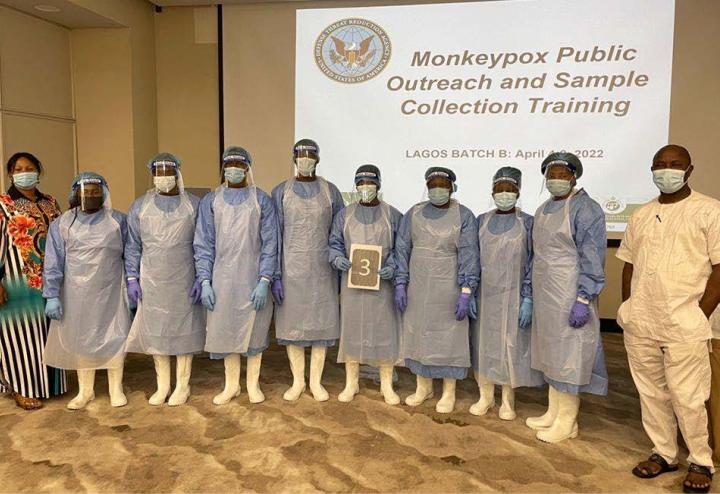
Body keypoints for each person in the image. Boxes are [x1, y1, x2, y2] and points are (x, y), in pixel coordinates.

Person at [618, 145, 719, 493]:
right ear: (651, 169)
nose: (667, 171)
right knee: (651, 393)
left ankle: (700, 461)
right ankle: (663, 453)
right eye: (660, 165)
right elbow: (629, 264)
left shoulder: (709, 211)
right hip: (642, 319)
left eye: (675, 165)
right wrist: (628, 308)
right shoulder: (641, 214)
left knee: (688, 395)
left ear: (690, 170)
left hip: (684, 321)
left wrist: (699, 313)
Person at [526, 152, 608, 443]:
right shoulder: (543, 210)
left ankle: (567, 421)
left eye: (563, 174)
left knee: (571, 355)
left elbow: (593, 256)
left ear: (575, 176)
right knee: (552, 352)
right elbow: (536, 255)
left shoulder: (586, 209)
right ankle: (553, 411)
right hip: (546, 292)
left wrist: (584, 298)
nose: (556, 179)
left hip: (571, 292)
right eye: (552, 174)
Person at [195, 146, 278, 405]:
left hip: (253, 278)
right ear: (223, 168)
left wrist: (265, 279)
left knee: (255, 331)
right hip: (222, 279)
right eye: (229, 165)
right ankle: (231, 385)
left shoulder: (261, 200)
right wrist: (205, 280)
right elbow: (204, 244)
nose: (233, 170)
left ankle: (252, 385)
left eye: (239, 166)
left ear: (248, 168)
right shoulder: (211, 201)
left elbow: (270, 243)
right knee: (227, 330)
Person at [394, 167, 480, 414]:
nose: (437, 189)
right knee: (420, 334)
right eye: (433, 184)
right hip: (418, 287)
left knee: (448, 337)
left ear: (452, 187)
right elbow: (402, 249)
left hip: (449, 286)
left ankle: (448, 392)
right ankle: (424, 387)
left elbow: (469, 253)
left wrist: (466, 290)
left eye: (443, 184)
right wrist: (401, 282)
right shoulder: (414, 213)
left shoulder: (464, 216)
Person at [42, 172, 131, 410]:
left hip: (112, 289)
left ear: (105, 193)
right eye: (85, 191)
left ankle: (116, 389)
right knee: (82, 339)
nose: (90, 195)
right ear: (75, 194)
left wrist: (133, 280)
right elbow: (53, 261)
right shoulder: (62, 224)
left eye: (95, 191)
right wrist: (51, 294)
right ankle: (85, 391)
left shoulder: (118, 221)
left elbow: (130, 253)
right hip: (76, 293)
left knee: (115, 336)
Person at [124, 153, 205, 406]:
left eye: (168, 172)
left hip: (184, 278)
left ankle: (182, 385)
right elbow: (133, 246)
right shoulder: (140, 206)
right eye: (158, 173)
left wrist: (202, 277)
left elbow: (202, 244)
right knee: (156, 333)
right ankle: (162, 386)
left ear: (178, 173)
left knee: (184, 333)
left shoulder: (193, 204)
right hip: (153, 280)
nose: (163, 177)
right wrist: (132, 278)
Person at [271, 139, 344, 402]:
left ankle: (316, 382)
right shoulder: (281, 192)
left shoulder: (330, 192)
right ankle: (297, 381)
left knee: (320, 329)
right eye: (300, 156)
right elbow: (274, 236)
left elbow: (339, 232)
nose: (305, 160)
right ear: (293, 159)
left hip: (322, 271)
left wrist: (338, 263)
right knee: (293, 328)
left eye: (310, 156)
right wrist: (275, 275)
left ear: (317, 159)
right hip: (290, 271)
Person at [470, 166, 543, 420]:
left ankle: (507, 400)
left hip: (514, 297)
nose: (504, 194)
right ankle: (485, 396)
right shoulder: (481, 221)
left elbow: (534, 260)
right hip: (485, 296)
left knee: (510, 346)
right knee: (484, 345)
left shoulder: (528, 223)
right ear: (492, 192)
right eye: (499, 190)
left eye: (509, 190)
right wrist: (468, 291)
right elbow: (471, 258)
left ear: (518, 192)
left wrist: (528, 297)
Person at [328, 165, 403, 405]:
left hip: (383, 285)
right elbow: (334, 243)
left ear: (378, 185)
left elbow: (401, 248)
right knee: (352, 332)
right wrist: (337, 258)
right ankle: (352, 383)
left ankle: (386, 384)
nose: (365, 188)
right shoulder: (344, 215)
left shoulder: (392, 215)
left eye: (369, 183)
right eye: (360, 183)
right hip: (353, 285)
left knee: (385, 332)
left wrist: (391, 265)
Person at [0, 152, 66, 410]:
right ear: (10, 174)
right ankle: (21, 387)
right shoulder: (4, 204)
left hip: (52, 281)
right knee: (22, 335)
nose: (24, 172)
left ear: (39, 172)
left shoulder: (50, 202)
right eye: (18, 168)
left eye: (30, 168)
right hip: (17, 280)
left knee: (49, 332)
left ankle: (51, 385)